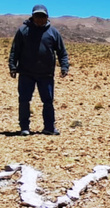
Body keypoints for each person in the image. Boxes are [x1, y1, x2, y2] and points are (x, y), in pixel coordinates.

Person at [8, 4, 69, 136]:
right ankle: (24, 127)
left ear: (47, 17)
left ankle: (49, 127)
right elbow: (15, 50)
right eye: (37, 16)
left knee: (48, 101)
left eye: (42, 16)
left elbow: (61, 52)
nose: (40, 19)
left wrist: (64, 66)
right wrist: (12, 66)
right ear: (33, 16)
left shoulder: (53, 32)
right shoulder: (23, 30)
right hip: (26, 73)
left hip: (46, 74)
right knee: (24, 100)